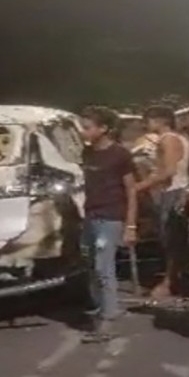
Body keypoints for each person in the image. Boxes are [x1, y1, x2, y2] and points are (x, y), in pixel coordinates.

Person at [78, 106, 138, 343]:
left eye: (87, 127)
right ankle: (102, 308)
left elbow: (131, 190)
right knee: (92, 267)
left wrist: (131, 225)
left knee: (105, 268)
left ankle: (109, 320)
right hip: (91, 215)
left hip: (111, 217)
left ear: (103, 129)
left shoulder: (120, 155)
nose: (83, 132)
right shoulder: (87, 153)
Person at [135, 106, 189, 309]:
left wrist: (140, 186)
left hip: (172, 192)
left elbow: (168, 171)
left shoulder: (168, 139)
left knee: (171, 241)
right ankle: (178, 279)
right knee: (174, 240)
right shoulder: (175, 138)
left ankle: (169, 282)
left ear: (160, 120)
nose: (145, 124)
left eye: (148, 120)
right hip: (173, 191)